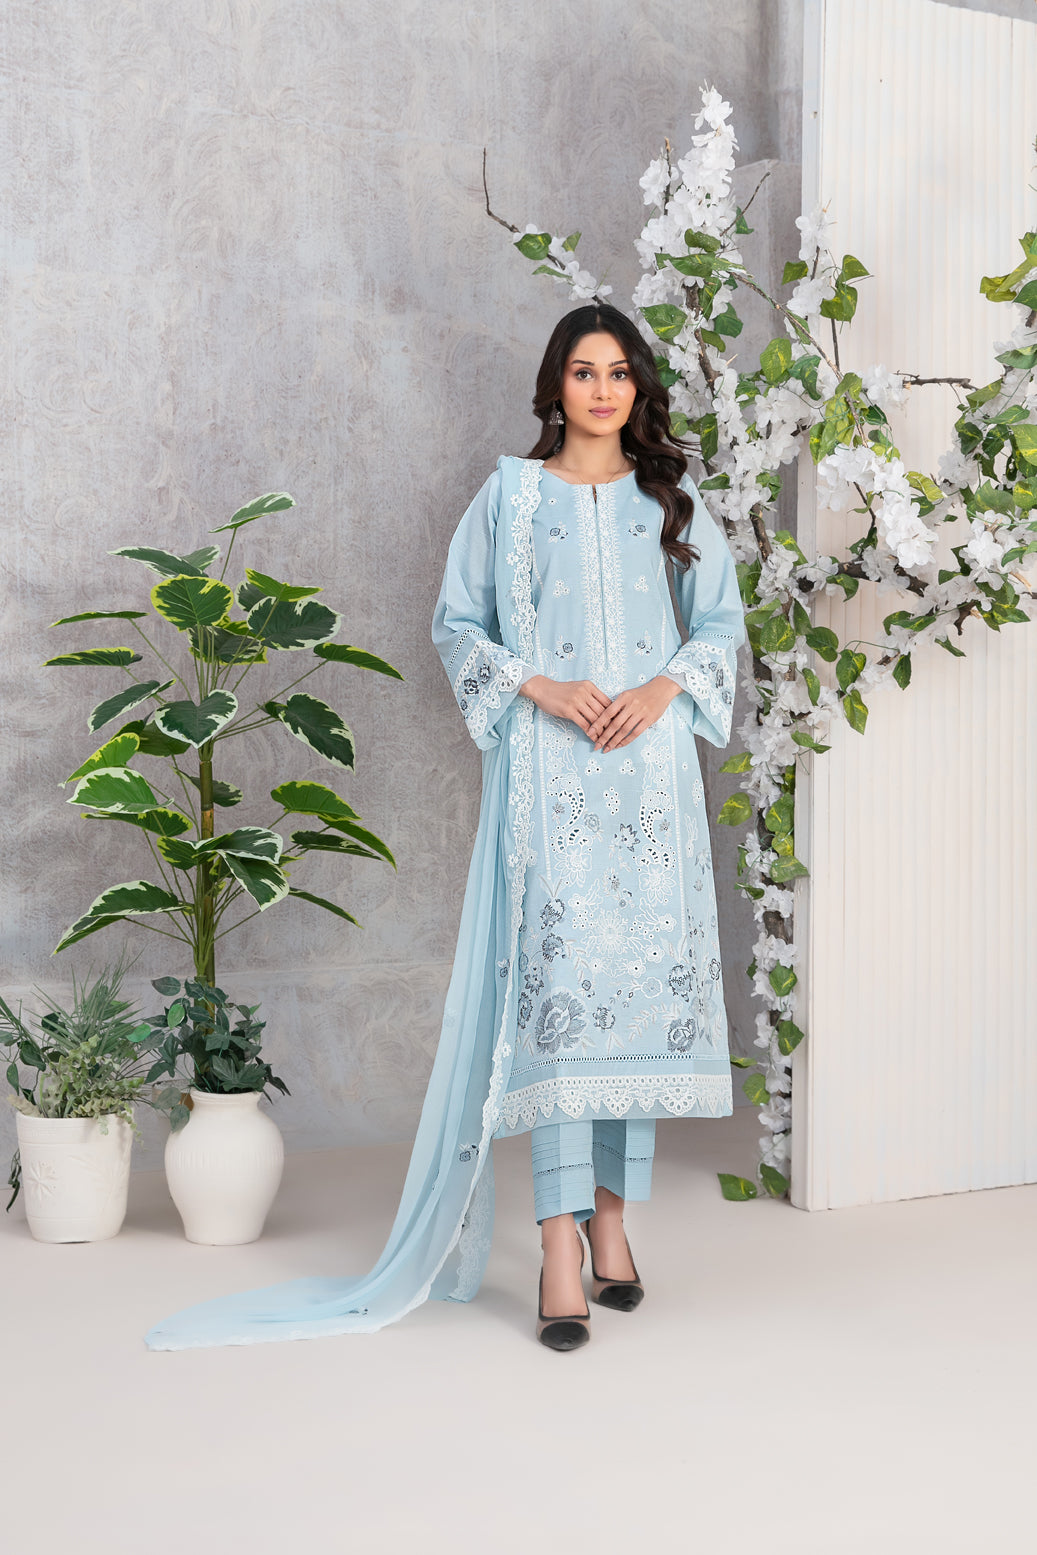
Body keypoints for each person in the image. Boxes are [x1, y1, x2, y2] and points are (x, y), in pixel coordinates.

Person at [143, 303, 744, 1354]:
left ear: (639, 387)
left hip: (648, 791)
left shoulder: (668, 502)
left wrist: (661, 690)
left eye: (618, 373)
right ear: (553, 386)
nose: (602, 390)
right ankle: (556, 1241)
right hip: (551, 785)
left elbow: (720, 629)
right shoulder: (510, 499)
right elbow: (458, 624)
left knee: (634, 1007)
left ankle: (611, 1225)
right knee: (559, 1007)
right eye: (583, 371)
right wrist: (541, 686)